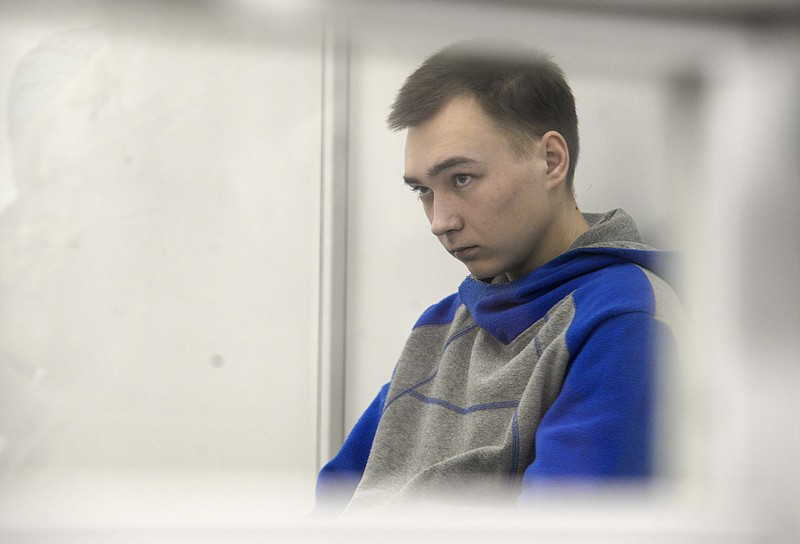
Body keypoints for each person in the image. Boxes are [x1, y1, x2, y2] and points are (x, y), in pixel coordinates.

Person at [316, 40, 682, 514]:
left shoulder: (624, 318)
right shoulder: (442, 325)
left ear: (552, 160)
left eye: (462, 179)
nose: (439, 219)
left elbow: (566, 528)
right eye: (423, 191)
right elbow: (330, 507)